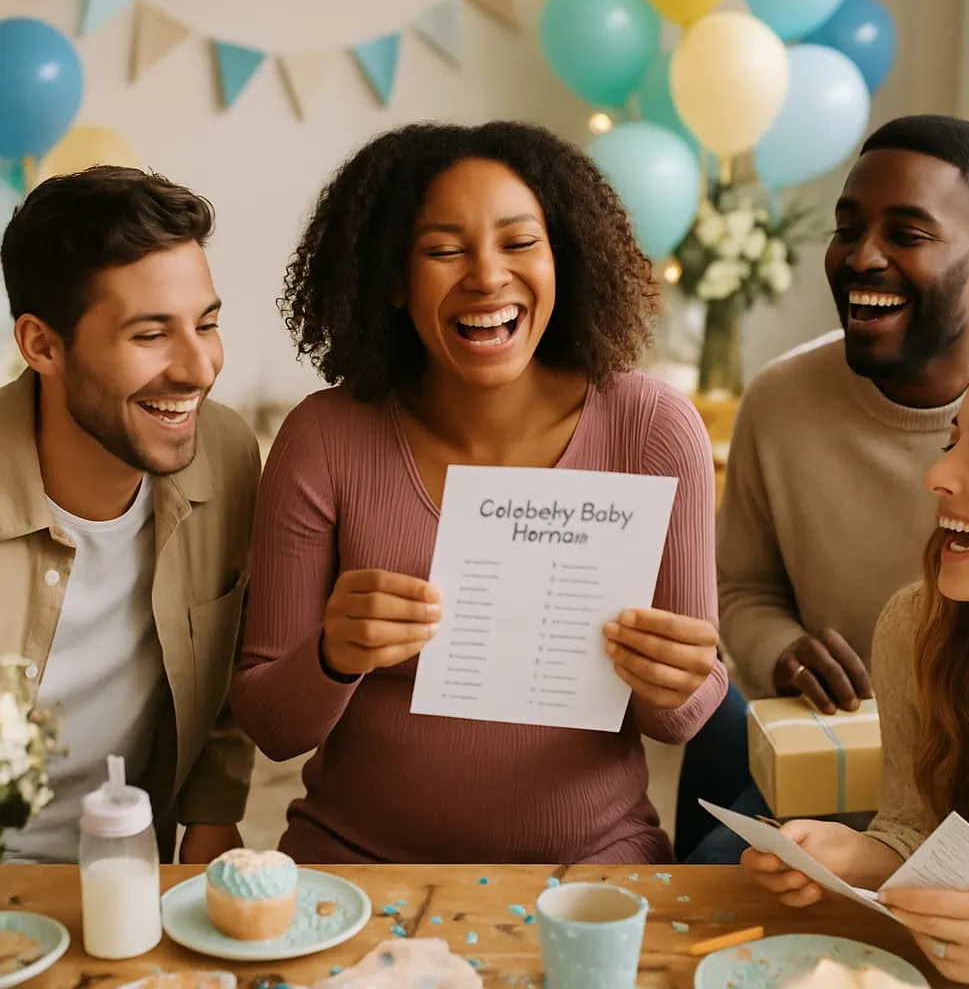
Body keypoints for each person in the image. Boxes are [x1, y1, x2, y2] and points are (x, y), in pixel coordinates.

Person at [232, 121, 728, 864]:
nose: (488, 276)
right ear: (393, 279)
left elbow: (683, 716)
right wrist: (333, 654)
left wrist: (680, 683)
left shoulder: (654, 430)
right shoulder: (323, 438)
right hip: (353, 859)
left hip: (592, 860)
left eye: (520, 243)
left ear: (566, 258)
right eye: (443, 250)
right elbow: (272, 724)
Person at [675, 114, 969, 862]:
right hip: (840, 765)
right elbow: (738, 587)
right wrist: (783, 649)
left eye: (908, 234)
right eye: (847, 228)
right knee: (719, 862)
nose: (862, 257)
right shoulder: (780, 399)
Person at [742, 337, 969, 987]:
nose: (938, 475)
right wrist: (851, 855)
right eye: (953, 442)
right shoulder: (917, 629)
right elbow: (916, 830)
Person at [0, 166, 259, 864]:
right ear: (42, 345)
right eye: (151, 335)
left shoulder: (228, 454)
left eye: (207, 323)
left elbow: (234, 657)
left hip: (133, 875)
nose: (200, 367)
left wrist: (211, 816)